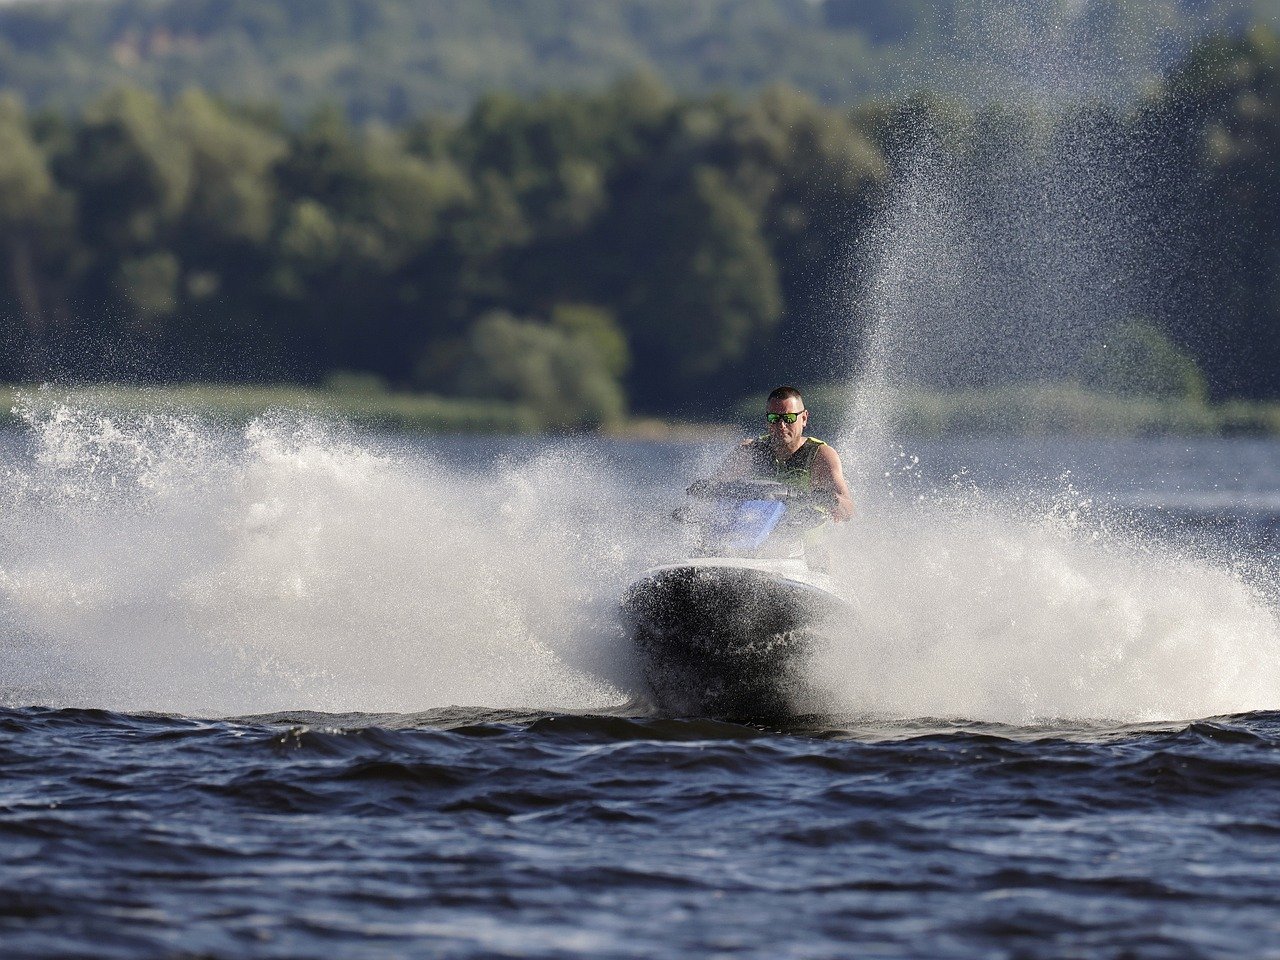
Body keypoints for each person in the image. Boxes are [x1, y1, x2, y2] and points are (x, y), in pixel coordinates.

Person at [712, 385, 854, 522]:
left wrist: (832, 499)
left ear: (804, 418)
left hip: (806, 540)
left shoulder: (821, 455)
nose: (781, 425)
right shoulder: (751, 450)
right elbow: (714, 486)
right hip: (757, 534)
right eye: (774, 418)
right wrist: (704, 488)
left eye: (789, 418)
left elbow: (849, 509)